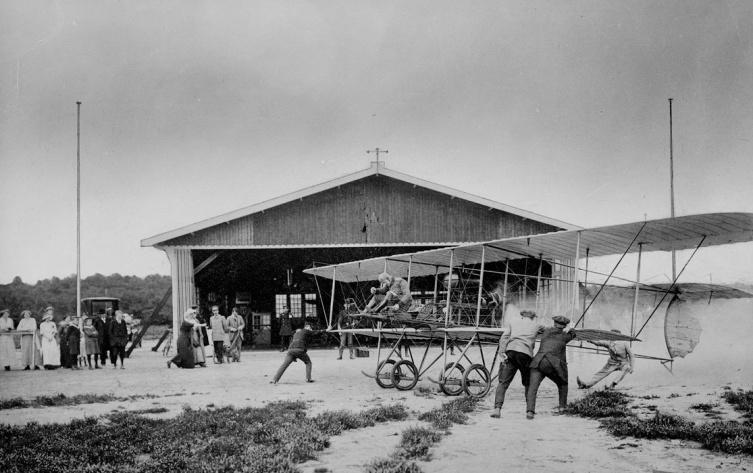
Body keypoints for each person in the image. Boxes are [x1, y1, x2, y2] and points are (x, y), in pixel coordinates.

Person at [490, 310, 544, 419]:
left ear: (522, 316)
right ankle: (530, 411)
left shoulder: (513, 321)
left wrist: (502, 352)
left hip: (511, 352)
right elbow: (548, 330)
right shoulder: (537, 325)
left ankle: (497, 409)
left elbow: (504, 337)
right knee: (528, 383)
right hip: (525, 354)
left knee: (503, 382)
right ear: (533, 317)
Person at [525, 315, 576, 420]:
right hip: (552, 364)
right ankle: (562, 408)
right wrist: (571, 330)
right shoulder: (564, 336)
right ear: (564, 326)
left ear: (554, 323)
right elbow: (573, 334)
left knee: (532, 387)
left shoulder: (546, 332)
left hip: (538, 362)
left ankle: (530, 411)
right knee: (563, 383)